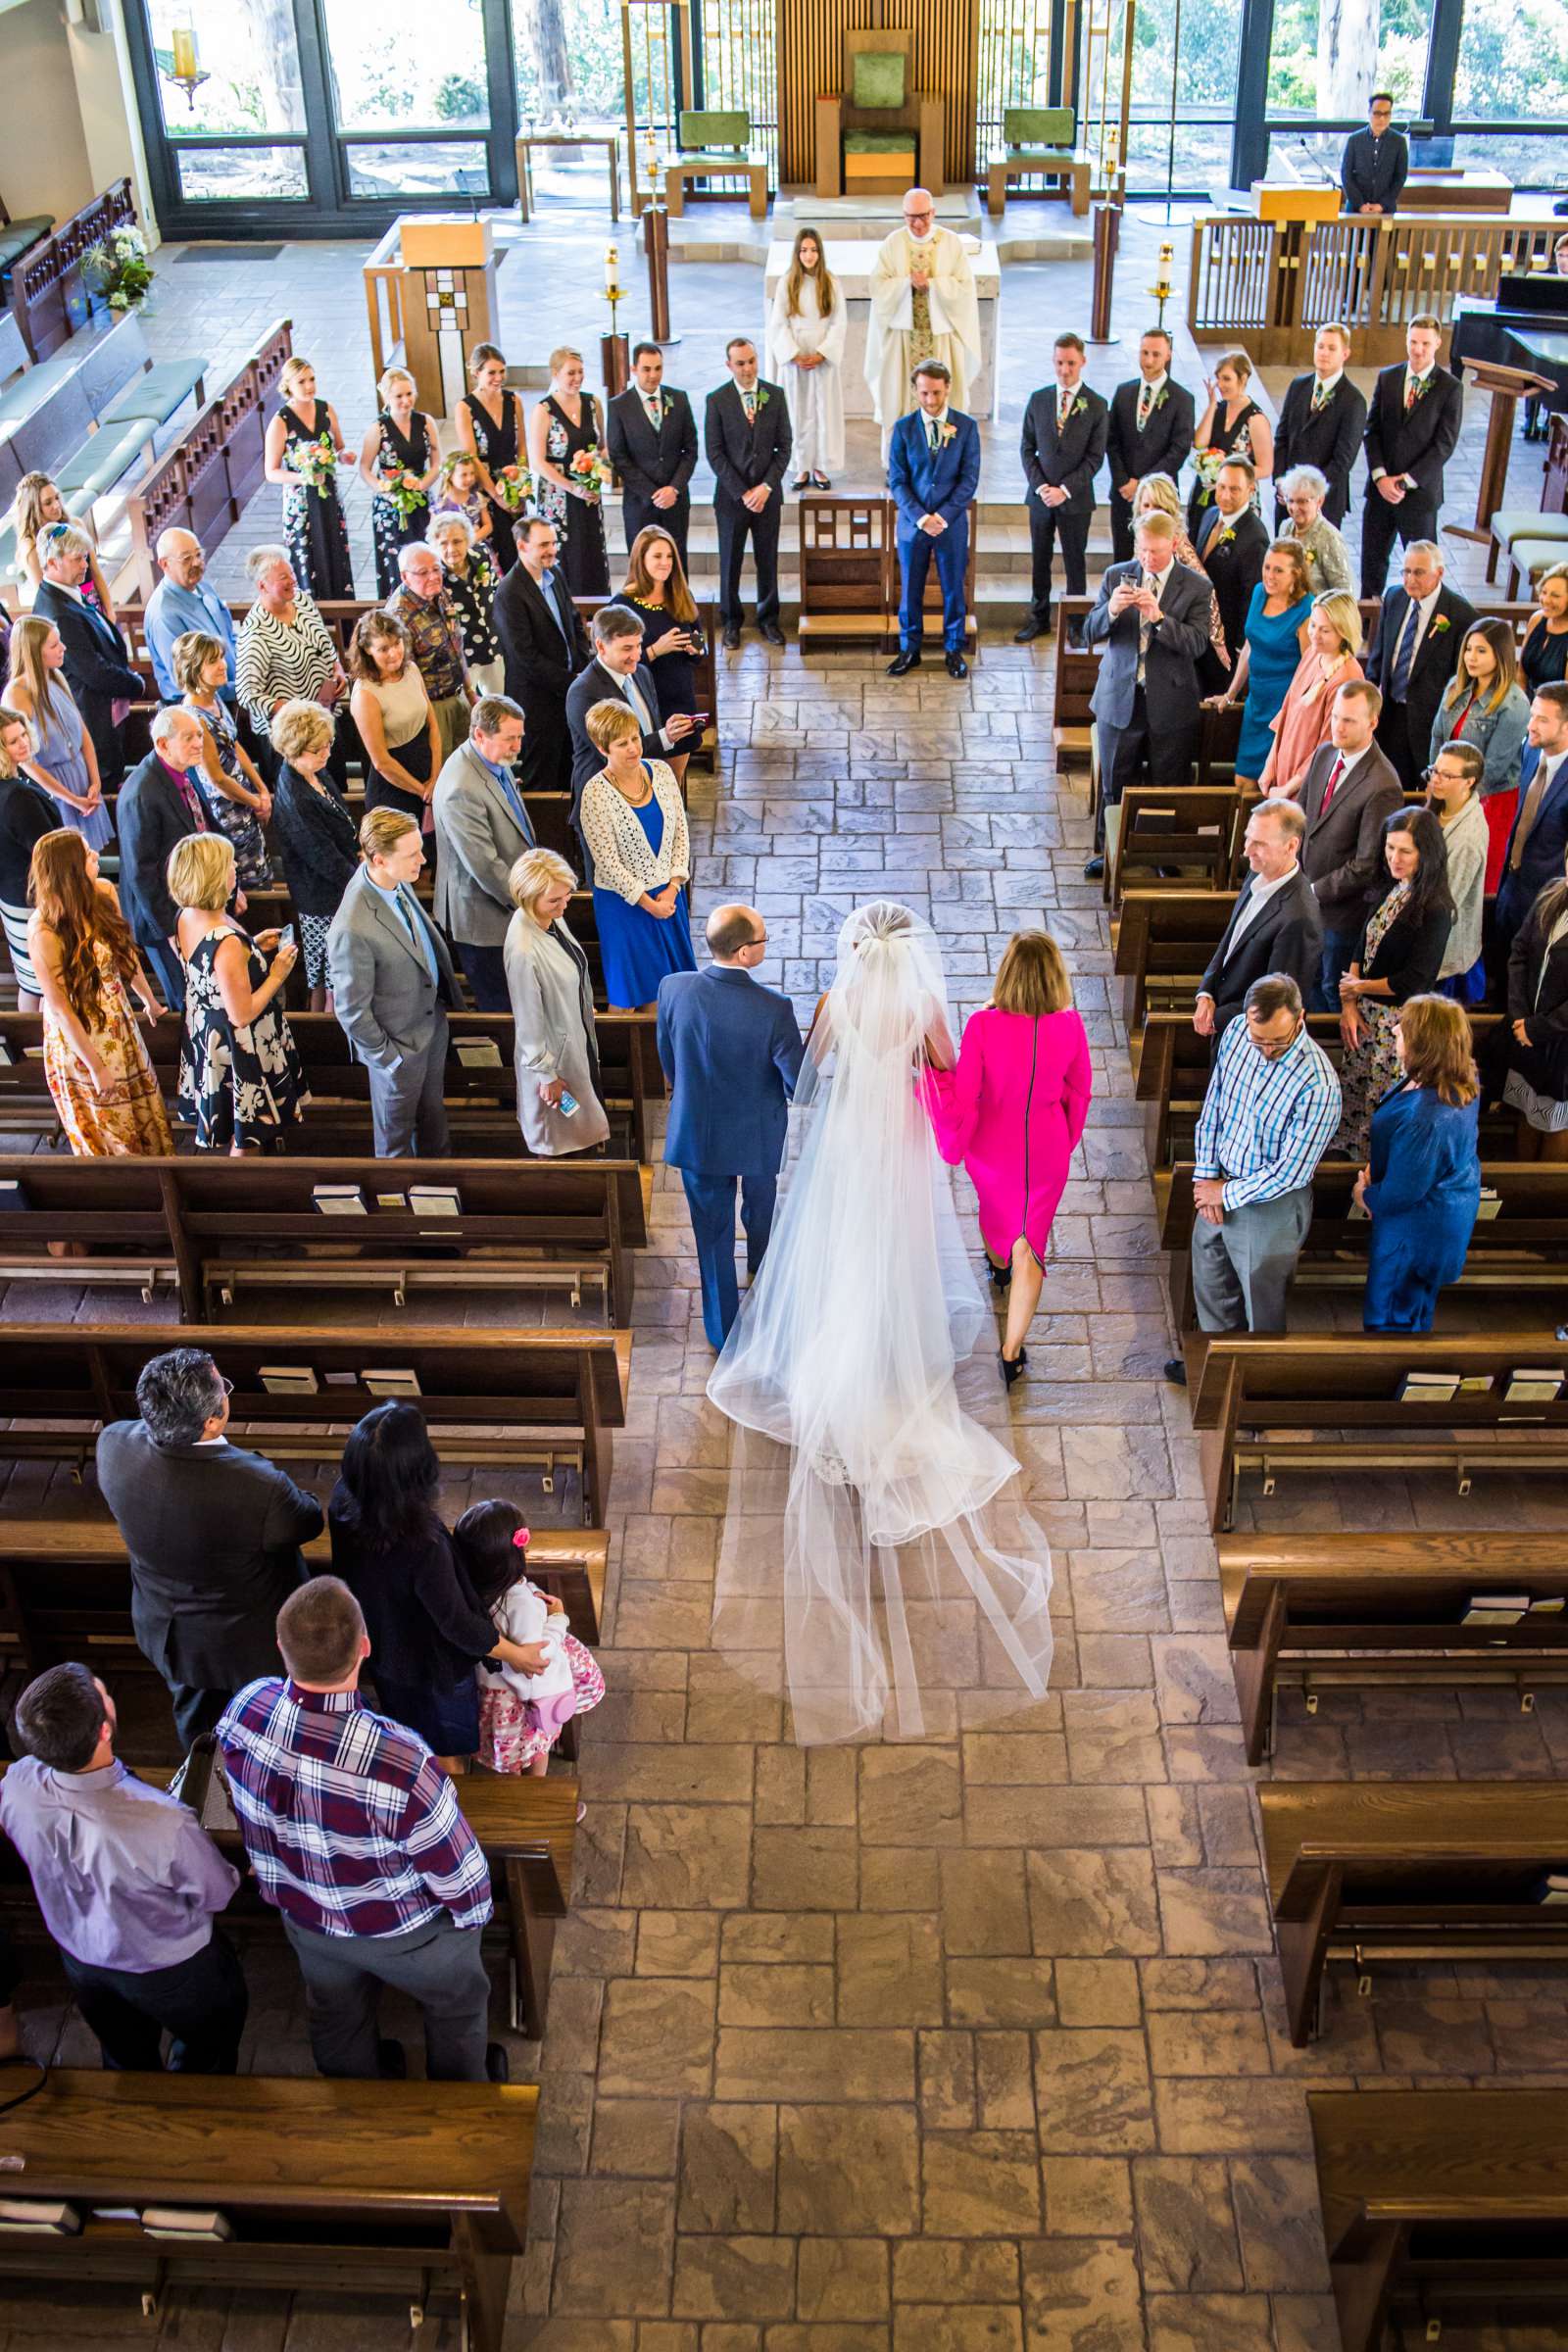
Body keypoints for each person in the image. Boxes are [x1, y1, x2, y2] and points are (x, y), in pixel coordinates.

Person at [707, 902, 1055, 1747]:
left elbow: (813, 1072)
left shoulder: (834, 1001)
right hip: (898, 1137)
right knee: (897, 1245)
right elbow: (941, 1062)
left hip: (844, 1144)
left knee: (839, 1247)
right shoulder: (922, 1008)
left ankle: (838, 1355)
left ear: (857, 951)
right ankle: (891, 1363)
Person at [218, 1577, 503, 2084]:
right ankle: (460, 2098)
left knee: (334, 2011)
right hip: (404, 1932)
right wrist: (472, 1923)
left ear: (280, 1646)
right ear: (365, 1647)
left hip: (304, 1915)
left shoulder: (245, 1710)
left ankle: (356, 2093)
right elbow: (462, 1877)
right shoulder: (401, 1760)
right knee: (459, 2002)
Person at [0, 1663, 246, 2075]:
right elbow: (217, 1892)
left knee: (125, 2053)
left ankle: (138, 2099)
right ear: (104, 1730)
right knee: (211, 2044)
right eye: (105, 1693)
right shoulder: (161, 1821)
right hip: (170, 1967)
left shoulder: (17, 1784)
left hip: (80, 1954)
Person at [96, 1344, 323, 1746]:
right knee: (271, 1730)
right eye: (225, 1389)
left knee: (196, 1727)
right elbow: (307, 1521)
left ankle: (202, 1790)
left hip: (170, 1629)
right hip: (247, 1641)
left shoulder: (113, 1445)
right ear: (213, 1423)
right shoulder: (256, 1486)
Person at [327, 1403, 551, 1768]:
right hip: (429, 1666)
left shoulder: (344, 1499)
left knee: (414, 1729)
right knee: (445, 1747)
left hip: (380, 1641)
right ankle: (453, 1801)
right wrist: (517, 1654)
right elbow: (455, 1621)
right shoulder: (421, 1542)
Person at [923, 929, 1092, 1384]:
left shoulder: (982, 1025)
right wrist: (1066, 1139)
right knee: (1031, 1245)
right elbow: (1079, 1092)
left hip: (991, 1150)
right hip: (1046, 1150)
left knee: (996, 1212)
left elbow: (967, 1092)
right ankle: (1011, 1350)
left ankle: (998, 1264)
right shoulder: (1071, 1025)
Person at [1165, 974, 1342, 1380]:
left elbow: (1291, 1171)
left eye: (1276, 1042)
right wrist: (1206, 1177)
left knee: (1260, 1307)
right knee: (1211, 1287)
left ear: (1300, 1020)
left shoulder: (1318, 1084)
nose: (1265, 1050)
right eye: (1259, 1038)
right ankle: (1215, 1375)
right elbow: (1214, 1108)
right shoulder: (1237, 1036)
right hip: (1218, 1185)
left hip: (1271, 1208)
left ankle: (1257, 1388)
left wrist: (1222, 1194)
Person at [657, 901, 805, 1351]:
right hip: (757, 1135)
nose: (765, 945)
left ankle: (722, 1332)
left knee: (712, 1234)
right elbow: (798, 1083)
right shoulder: (774, 1009)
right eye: (762, 940)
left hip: (697, 1135)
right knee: (761, 1207)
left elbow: (668, 1058)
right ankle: (761, 1264)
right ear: (744, 953)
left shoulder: (673, 989)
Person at [1081, 511, 1211, 878]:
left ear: (1173, 544)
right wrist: (1110, 609)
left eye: (1154, 551)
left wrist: (1159, 619)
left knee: (1165, 782)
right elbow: (1088, 632)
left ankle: (1157, 852)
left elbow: (1198, 644)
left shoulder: (1196, 587)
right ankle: (1111, 852)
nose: (1147, 559)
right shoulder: (1115, 575)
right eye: (1141, 550)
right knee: (1114, 780)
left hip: (1169, 700)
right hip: (1119, 696)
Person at [27, 828, 172, 1158]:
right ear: (70, 869)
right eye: (87, 853)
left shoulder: (103, 892)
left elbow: (124, 954)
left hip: (118, 1023)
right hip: (81, 1040)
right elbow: (61, 1009)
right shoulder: (44, 932)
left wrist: (149, 1000)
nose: (95, 855)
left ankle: (159, 1183)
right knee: (109, 1129)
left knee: (141, 1112)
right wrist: (96, 1067)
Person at [326, 808, 461, 1158]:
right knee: (395, 1140)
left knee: (433, 1118)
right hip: (398, 1047)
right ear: (379, 859)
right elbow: (351, 1011)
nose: (423, 859)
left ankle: (439, 1193)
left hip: (429, 1028)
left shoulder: (394, 880)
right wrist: (389, 1058)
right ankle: (400, 1206)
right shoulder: (352, 926)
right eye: (412, 854)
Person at [170, 832, 306, 1155]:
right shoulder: (228, 941)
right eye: (228, 863)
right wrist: (276, 974)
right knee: (247, 1129)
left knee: (237, 1119)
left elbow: (206, 966)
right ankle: (243, 1188)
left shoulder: (186, 916)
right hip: (238, 1043)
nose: (234, 866)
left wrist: (253, 946)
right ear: (215, 875)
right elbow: (242, 1013)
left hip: (207, 1030)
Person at [454, 1500, 605, 1780]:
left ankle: (517, 1789)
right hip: (521, 1701)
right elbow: (537, 1656)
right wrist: (558, 1618)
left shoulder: (466, 1588)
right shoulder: (518, 1602)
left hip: (489, 1691)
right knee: (536, 1747)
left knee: (509, 1756)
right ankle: (537, 1791)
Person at [1356, 994, 1482, 1330]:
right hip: (1435, 1213)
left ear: (1424, 1043)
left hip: (1415, 1231)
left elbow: (1401, 1194)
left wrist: (1363, 1195)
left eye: (1404, 1028)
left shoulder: (1428, 1117)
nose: (1396, 1029)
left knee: (1391, 1316)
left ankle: (1390, 1371)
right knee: (1413, 1309)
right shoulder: (1454, 1077)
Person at [1336, 806, 1454, 1157]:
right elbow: (1363, 942)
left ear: (1426, 854)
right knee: (1352, 1101)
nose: (1394, 858)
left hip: (1397, 1025)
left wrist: (1357, 988)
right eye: (1390, 847)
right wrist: (1349, 1004)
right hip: (1363, 1016)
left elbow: (1414, 980)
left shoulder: (1436, 908)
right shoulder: (1393, 887)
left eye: (1405, 851)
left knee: (1380, 1108)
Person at [1298, 678, 1405, 1011]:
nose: (1337, 727)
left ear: (1372, 723)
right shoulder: (1325, 753)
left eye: (1348, 720)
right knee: (1304, 982)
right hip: (1306, 896)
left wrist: (1313, 891)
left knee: (1332, 990)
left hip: (1342, 913)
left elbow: (1366, 864)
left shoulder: (1382, 783)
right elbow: (1303, 819)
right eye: (1334, 716)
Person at [580, 700, 695, 1012]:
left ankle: (669, 1053)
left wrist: (672, 889)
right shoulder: (595, 793)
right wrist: (649, 904)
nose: (633, 748)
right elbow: (608, 863)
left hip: (669, 898)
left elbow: (680, 834)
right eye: (622, 743)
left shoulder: (661, 772)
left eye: (635, 738)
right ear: (603, 749)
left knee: (675, 991)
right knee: (640, 996)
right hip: (626, 905)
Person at [565, 604, 698, 864]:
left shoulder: (641, 675)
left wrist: (666, 732)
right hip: (606, 806)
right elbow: (612, 754)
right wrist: (665, 737)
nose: (637, 655)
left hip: (643, 795)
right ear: (601, 647)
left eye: (638, 645)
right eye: (627, 648)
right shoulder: (584, 692)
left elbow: (648, 728)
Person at [504, 846, 611, 1155]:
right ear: (528, 897)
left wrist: (577, 1001)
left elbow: (567, 968)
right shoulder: (523, 949)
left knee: (582, 1121)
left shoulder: (550, 918)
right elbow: (528, 1021)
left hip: (575, 1036)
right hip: (554, 1059)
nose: (565, 904)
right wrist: (547, 1075)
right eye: (555, 899)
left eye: (566, 895)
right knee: (563, 1135)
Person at [431, 695, 534, 1010]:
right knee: (501, 1005)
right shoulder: (461, 788)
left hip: (505, 905)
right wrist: (532, 900)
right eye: (509, 739)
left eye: (519, 737)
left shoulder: (492, 760)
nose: (517, 746)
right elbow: (485, 865)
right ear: (479, 734)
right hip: (482, 919)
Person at [116, 704, 217, 1012]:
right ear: (162, 744)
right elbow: (141, 872)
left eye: (199, 735)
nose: (198, 743)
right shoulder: (142, 793)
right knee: (187, 1000)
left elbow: (203, 825)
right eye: (188, 738)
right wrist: (170, 931)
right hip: (164, 918)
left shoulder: (181, 771)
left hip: (192, 904)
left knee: (206, 993)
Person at [1195, 800, 1322, 1043]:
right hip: (1224, 1021)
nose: (1246, 850)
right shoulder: (1259, 870)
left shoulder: (1298, 919)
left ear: (1291, 845)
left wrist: (1217, 1018)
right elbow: (1231, 938)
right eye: (1247, 838)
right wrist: (1206, 992)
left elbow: (1276, 1004)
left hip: (1254, 1040)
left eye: (1260, 843)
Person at [864, 189, 982, 450]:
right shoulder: (893, 243)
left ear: (933, 213)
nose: (917, 224)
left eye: (923, 216)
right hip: (903, 340)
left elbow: (964, 288)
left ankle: (944, 461)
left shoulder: (950, 243)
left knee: (944, 403)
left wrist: (932, 285)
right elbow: (878, 286)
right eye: (910, 217)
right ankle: (898, 465)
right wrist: (906, 284)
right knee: (899, 400)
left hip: (940, 338)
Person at [887, 360, 982, 681]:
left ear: (948, 388)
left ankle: (954, 649)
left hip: (950, 525)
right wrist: (921, 517)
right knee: (910, 588)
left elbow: (969, 480)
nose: (930, 400)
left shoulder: (966, 427)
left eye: (937, 393)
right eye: (924, 393)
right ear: (915, 390)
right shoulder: (902, 428)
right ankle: (909, 649)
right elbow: (898, 481)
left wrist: (942, 516)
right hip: (914, 526)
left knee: (953, 587)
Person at [29, 522, 140, 786]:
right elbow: (92, 670)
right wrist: (134, 683)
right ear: (53, 563)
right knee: (106, 779)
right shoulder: (57, 611)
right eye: (78, 559)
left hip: (104, 709)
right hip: (92, 716)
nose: (85, 566)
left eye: (86, 557)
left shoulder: (67, 594)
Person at [1015, 330, 1109, 641]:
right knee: (1040, 558)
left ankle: (1076, 624)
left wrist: (1064, 490)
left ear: (1082, 361)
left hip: (1075, 499)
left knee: (1074, 561)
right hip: (1041, 497)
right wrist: (1041, 486)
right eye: (1059, 363)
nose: (1064, 370)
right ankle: (1038, 618)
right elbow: (1027, 448)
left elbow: (1095, 458)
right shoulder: (1039, 399)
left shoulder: (1096, 405)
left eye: (1070, 363)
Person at [1360, 318, 1464, 598]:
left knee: (1422, 569)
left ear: (1438, 344)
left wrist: (1405, 482)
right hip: (1381, 490)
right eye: (1413, 342)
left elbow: (1444, 444)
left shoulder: (1449, 388)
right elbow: (1372, 431)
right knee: (1372, 564)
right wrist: (1381, 477)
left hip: (1419, 495)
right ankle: (1369, 624)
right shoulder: (1388, 377)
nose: (1418, 350)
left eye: (1425, 344)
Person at [1364, 539, 1476, 795]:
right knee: (1385, 782)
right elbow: (1380, 653)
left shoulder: (1460, 615)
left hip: (1429, 719)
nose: (1410, 579)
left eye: (1418, 572)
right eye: (1405, 571)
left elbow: (1462, 676)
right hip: (1390, 711)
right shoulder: (1394, 597)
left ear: (1439, 573)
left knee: (1423, 788)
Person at [1428, 617, 1531, 892]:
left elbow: (1494, 767)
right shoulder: (1456, 686)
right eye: (1468, 649)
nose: (1471, 657)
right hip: (1447, 787)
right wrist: (1435, 778)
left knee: (1473, 878)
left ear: (1501, 654)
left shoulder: (1515, 704)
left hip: (1488, 798)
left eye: (1481, 650)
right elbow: (1438, 734)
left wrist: (1454, 794)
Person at [234, 546, 350, 790]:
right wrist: (293, 709)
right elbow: (246, 693)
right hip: (290, 737)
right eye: (284, 577)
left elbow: (324, 642)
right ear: (262, 586)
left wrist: (337, 668)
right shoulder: (256, 633)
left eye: (292, 573)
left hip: (322, 717)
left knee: (335, 790)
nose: (293, 580)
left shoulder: (301, 600)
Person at [494, 515, 593, 797]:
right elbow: (525, 657)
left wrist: (584, 664)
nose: (552, 550)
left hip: (567, 692)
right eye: (543, 545)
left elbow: (574, 622)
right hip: (537, 703)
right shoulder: (510, 592)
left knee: (571, 770)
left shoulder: (556, 574)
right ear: (522, 546)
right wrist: (571, 682)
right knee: (543, 779)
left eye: (553, 543)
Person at [270, 699, 358, 1013]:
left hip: (337, 884)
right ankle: (329, 1037)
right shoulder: (295, 796)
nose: (327, 753)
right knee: (330, 974)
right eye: (318, 749)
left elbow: (340, 815)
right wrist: (361, 880)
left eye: (328, 744)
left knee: (330, 973)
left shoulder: (314, 771)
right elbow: (321, 855)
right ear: (293, 749)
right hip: (321, 896)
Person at [704, 337, 792, 650]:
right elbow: (715, 454)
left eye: (751, 361)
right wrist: (743, 492)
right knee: (731, 560)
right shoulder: (717, 400)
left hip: (767, 496)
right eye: (740, 363)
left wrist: (766, 487)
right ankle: (731, 622)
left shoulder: (775, 395)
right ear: (729, 365)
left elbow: (784, 447)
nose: (747, 368)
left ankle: (769, 619)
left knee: (767, 559)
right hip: (732, 498)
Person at [172, 630, 273, 888]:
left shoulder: (213, 698)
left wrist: (262, 789)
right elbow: (217, 778)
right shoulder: (195, 717)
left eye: (222, 658)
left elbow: (234, 744)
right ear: (194, 669)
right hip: (229, 812)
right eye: (213, 661)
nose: (223, 665)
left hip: (245, 799)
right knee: (248, 879)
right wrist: (255, 802)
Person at [1206, 540, 1311, 782]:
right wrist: (1231, 694)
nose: (1270, 576)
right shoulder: (1259, 593)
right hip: (1257, 703)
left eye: (1278, 570)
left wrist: (1292, 716)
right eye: (1267, 567)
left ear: (1296, 573)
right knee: (1242, 781)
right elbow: (1249, 647)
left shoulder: (1306, 610)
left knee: (1271, 785)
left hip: (1284, 709)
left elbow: (1308, 670)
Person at [5, 613, 112, 850]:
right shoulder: (17, 694)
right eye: (54, 645)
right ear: (34, 651)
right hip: (55, 789)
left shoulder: (57, 677)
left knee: (95, 854)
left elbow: (83, 734)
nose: (63, 648)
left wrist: (95, 781)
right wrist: (72, 799)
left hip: (82, 778)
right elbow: (26, 761)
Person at [616, 526, 708, 788]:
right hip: (647, 704)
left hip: (680, 700)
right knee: (646, 783)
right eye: (657, 556)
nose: (665, 563)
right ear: (641, 559)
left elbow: (698, 639)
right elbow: (616, 663)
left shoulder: (680, 595)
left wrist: (696, 649)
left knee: (671, 783)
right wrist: (656, 650)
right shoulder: (624, 604)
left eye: (669, 557)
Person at [1492, 850, 1568, 1158]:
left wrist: (1538, 1028)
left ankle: (1543, 1199)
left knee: (1555, 1124)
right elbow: (1520, 950)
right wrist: (1520, 1016)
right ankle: (1519, 1192)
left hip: (1561, 1042)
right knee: (1527, 1111)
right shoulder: (1552, 891)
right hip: (1527, 1031)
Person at [264, 354, 354, 602]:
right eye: (302, 381)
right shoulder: (281, 421)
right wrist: (304, 477)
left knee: (335, 549)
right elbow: (271, 472)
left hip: (328, 495)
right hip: (301, 501)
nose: (309, 386)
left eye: (312, 379)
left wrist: (344, 455)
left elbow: (338, 447)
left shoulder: (326, 410)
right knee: (308, 555)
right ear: (288, 386)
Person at [1258, 589, 1364, 798]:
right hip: (1284, 769)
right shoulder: (1312, 654)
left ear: (1343, 631)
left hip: (1308, 785)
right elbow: (1286, 711)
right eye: (1313, 625)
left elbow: (1329, 747)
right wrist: (1270, 765)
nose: (1315, 635)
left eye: (1325, 630)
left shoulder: (1347, 679)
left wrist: (1288, 789)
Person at [1104, 329, 1198, 564]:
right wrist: (1123, 481)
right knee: (1123, 558)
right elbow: (1112, 440)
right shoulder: (1124, 392)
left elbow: (1179, 448)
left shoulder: (1182, 398)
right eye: (1144, 353)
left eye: (1156, 354)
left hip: (1158, 496)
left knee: (1155, 557)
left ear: (1168, 355)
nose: (1149, 360)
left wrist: (1144, 486)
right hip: (1123, 493)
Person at [606, 342, 700, 568]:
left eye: (658, 368)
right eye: (646, 369)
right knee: (642, 565)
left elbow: (691, 449)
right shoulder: (619, 406)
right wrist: (653, 493)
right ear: (633, 369)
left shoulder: (679, 399)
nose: (653, 375)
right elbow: (619, 456)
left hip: (675, 501)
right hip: (640, 503)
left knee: (676, 564)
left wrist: (674, 488)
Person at [528, 345, 612, 598]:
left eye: (580, 372)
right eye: (570, 373)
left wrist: (597, 474)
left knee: (590, 551)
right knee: (565, 554)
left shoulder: (593, 403)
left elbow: (604, 447)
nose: (577, 378)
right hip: (558, 496)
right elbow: (538, 461)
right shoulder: (544, 410)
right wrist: (571, 486)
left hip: (588, 492)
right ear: (556, 374)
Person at [767, 227, 848, 489]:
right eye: (804, 250)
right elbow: (778, 324)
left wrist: (823, 352)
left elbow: (839, 322)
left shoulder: (831, 282)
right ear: (797, 253)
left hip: (821, 356)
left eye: (813, 250)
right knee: (797, 413)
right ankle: (801, 467)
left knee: (822, 412)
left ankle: (821, 467)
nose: (809, 255)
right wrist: (793, 353)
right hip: (797, 357)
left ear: (820, 252)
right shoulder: (787, 282)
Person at [348, 609, 439, 831]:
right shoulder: (365, 694)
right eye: (383, 649)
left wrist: (436, 777)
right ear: (367, 650)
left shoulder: (412, 670)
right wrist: (422, 791)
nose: (394, 653)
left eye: (397, 643)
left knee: (431, 853)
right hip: (394, 787)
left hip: (426, 771)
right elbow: (380, 761)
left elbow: (433, 725)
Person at [385, 541, 474, 766]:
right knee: (442, 770)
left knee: (468, 763)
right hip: (431, 707)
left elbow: (456, 647)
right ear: (405, 577)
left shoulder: (440, 594)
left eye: (436, 569)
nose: (433, 576)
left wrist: (471, 692)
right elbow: (405, 676)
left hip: (456, 695)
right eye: (423, 573)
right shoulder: (398, 615)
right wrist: (430, 720)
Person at [1271, 323, 1366, 528]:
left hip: (1324, 500)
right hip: (1286, 496)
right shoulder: (1298, 386)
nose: (1324, 353)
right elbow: (1282, 438)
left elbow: (1343, 460)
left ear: (1345, 354)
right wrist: (1281, 481)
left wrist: (1306, 494)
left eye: (1332, 348)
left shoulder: (1353, 400)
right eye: (1320, 346)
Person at [1496, 684, 1568, 956]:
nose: (1530, 726)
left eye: (1542, 719)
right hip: (1511, 888)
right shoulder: (1530, 751)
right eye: (1532, 715)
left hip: (1549, 903)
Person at [360, 366, 439, 600]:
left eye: (409, 394)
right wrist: (385, 490)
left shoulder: (426, 422)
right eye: (399, 396)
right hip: (390, 505)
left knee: (425, 551)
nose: (406, 401)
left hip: (420, 498)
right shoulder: (378, 429)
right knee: (397, 560)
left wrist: (422, 485)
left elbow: (436, 463)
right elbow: (365, 468)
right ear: (387, 397)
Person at [0, 707, 57, 1007]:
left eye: (23, 734)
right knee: (43, 983)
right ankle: (42, 1045)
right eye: (12, 741)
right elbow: (47, 849)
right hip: (33, 898)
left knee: (30, 978)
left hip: (11, 895)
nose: (23, 743)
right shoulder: (16, 796)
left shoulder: (11, 785)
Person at [456, 342, 528, 576]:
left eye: (501, 371)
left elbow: (522, 446)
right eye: (491, 373)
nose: (499, 378)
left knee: (518, 549)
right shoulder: (466, 408)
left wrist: (522, 485)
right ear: (477, 373)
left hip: (512, 483)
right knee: (495, 555)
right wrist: (496, 496)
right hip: (485, 486)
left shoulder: (514, 401)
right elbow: (472, 457)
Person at [144, 527, 238, 708]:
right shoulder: (164, 614)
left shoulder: (203, 586)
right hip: (201, 707)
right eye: (186, 559)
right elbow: (186, 681)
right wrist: (245, 690)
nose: (196, 563)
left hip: (233, 692)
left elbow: (228, 637)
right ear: (164, 564)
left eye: (198, 554)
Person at [1426, 738, 1490, 1003]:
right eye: (1435, 771)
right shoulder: (1440, 806)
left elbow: (1447, 901)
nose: (1436, 779)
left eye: (1446, 775)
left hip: (1444, 946)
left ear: (1469, 781)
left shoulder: (1468, 838)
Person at [1194, 458, 1270, 678]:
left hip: (1226, 637)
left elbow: (1252, 596)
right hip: (1201, 628)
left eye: (1235, 489)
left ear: (1251, 488)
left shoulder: (1255, 537)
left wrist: (1239, 646)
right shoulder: (1209, 516)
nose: (1226, 495)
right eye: (1222, 487)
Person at [1189, 349, 1273, 536]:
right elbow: (1199, 443)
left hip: (1237, 496)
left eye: (1226, 379)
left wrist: (1230, 475)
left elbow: (1265, 468)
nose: (1220, 385)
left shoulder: (1255, 419)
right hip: (1207, 492)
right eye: (1218, 378)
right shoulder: (1217, 408)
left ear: (1242, 379)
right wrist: (1211, 406)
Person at [12, 473, 117, 622]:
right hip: (70, 615)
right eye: (48, 503)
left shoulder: (76, 525)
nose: (56, 505)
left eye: (57, 498)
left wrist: (110, 611)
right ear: (33, 508)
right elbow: (46, 595)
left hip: (94, 603)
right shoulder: (31, 549)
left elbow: (96, 572)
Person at [429, 512, 505, 702]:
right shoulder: (434, 575)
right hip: (462, 655)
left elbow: (496, 588)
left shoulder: (481, 555)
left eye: (457, 541)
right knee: (466, 708)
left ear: (468, 540)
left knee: (498, 703)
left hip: (493, 645)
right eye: (444, 543)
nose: (451, 549)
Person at [1275, 465, 1354, 597]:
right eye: (1291, 500)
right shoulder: (1285, 527)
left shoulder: (1329, 537)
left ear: (1319, 501)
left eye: (1302, 502)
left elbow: (1344, 593)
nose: (1294, 508)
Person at [1343, 89, 1409, 216]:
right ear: (1369, 113)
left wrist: (1382, 205)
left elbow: (1400, 177)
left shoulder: (1399, 141)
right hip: (1356, 208)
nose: (1382, 118)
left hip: (1385, 209)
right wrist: (1360, 204)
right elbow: (1346, 175)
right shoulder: (1354, 140)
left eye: (1386, 114)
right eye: (1377, 113)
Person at [1521, 563, 1568, 695]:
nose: (1546, 600)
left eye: (1555, 595)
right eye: (1544, 592)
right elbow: (1521, 674)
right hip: (1527, 700)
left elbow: (1566, 696)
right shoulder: (1537, 619)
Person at [431, 451, 493, 550]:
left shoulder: (477, 498)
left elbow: (488, 525)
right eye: (463, 475)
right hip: (452, 550)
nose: (469, 478)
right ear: (450, 476)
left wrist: (471, 539)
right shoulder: (440, 504)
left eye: (472, 473)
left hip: (476, 546)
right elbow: (434, 533)